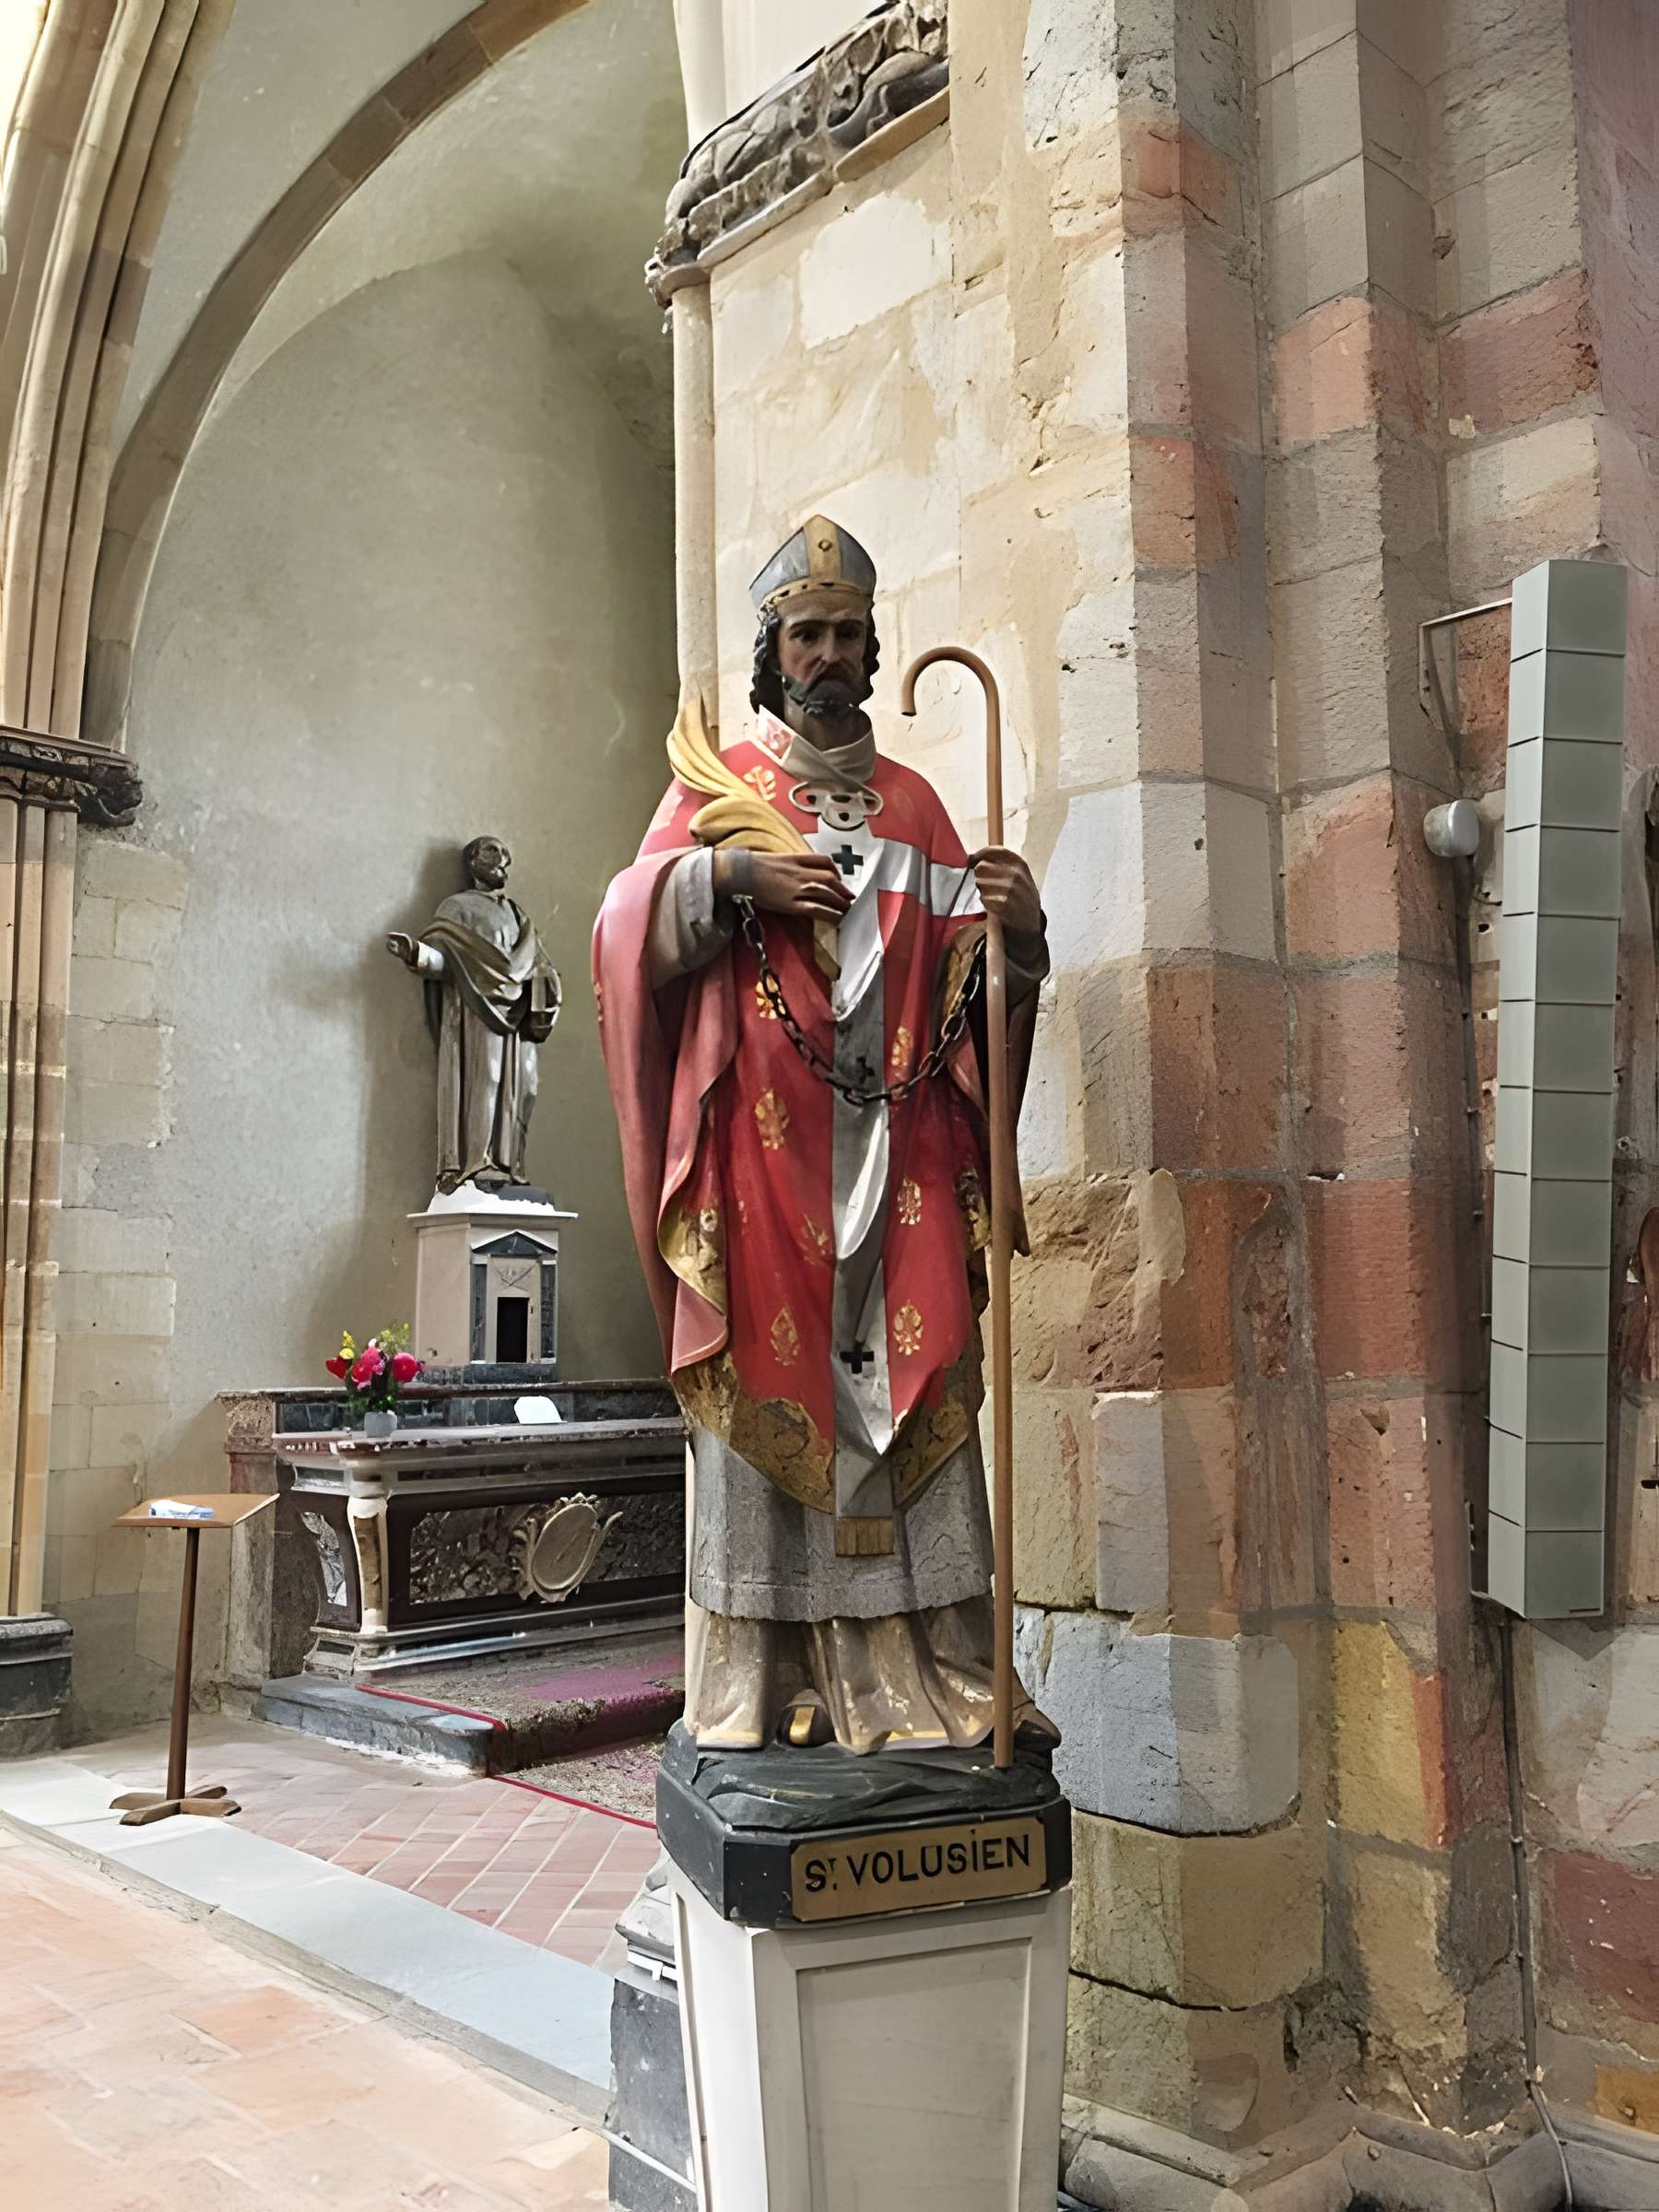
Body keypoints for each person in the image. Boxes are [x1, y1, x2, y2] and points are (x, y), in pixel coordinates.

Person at [594, 517, 1051, 1754]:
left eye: (849, 633)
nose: (831, 654)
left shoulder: (916, 805)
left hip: (896, 1168)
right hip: (759, 1167)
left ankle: (942, 1682)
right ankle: (767, 1678)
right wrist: (733, 883)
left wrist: (1020, 935)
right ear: (774, 649)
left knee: (916, 1399)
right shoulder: (719, 789)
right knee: (768, 1403)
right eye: (809, 634)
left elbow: (982, 1003)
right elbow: (620, 928)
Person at [387, 835, 561, 1192]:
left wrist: (546, 989)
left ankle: (510, 1166)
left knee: (525, 1089)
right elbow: (442, 957)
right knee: (488, 1079)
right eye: (492, 850)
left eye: (505, 852)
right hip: (476, 1010)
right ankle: (476, 1164)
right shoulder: (457, 908)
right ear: (472, 862)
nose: (503, 858)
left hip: (517, 1016)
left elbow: (538, 964)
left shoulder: (516, 914)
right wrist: (415, 953)